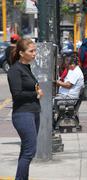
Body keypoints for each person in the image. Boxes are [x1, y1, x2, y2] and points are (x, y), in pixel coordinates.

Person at [7, 38, 44, 180]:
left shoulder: (26, 68)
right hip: (23, 114)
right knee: (29, 151)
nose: (34, 54)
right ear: (22, 53)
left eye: (35, 50)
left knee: (26, 151)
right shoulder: (15, 70)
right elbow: (17, 94)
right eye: (31, 51)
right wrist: (36, 93)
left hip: (33, 112)